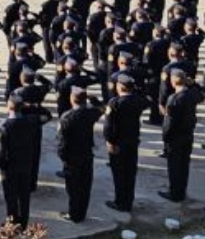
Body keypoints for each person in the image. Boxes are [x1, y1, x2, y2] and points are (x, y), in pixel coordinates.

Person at [0, 95, 50, 225]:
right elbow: (47, 116)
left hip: (10, 166)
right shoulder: (31, 121)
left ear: (9, 107)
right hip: (26, 163)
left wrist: (2, 166)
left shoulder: (4, 126)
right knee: (24, 195)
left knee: (11, 196)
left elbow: (1, 151)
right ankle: (24, 222)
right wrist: (33, 106)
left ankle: (12, 222)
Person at [102, 75, 147, 212]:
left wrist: (110, 141)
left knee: (119, 174)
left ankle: (120, 202)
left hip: (119, 143)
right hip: (133, 141)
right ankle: (128, 201)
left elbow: (109, 126)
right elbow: (146, 99)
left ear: (119, 87)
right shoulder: (138, 101)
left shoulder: (114, 103)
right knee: (130, 173)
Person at [56, 88, 101, 222]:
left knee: (73, 188)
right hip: (87, 153)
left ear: (72, 98)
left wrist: (63, 158)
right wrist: (93, 99)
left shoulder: (67, 117)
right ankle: (82, 213)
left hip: (72, 157)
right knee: (85, 185)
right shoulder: (91, 113)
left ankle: (74, 214)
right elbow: (101, 108)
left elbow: (62, 142)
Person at [159, 69, 202, 202]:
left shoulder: (174, 99)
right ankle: (181, 191)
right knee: (184, 165)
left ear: (172, 82)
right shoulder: (192, 94)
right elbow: (201, 92)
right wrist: (193, 83)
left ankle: (174, 193)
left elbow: (169, 123)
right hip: (188, 134)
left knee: (174, 166)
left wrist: (165, 138)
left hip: (175, 137)